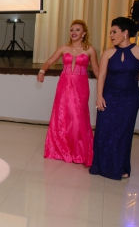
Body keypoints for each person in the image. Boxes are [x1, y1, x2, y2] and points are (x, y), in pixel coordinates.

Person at [90, 17, 139, 180]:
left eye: (114, 32)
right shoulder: (108, 53)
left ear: (125, 33)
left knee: (123, 133)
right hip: (108, 97)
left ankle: (120, 167)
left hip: (129, 99)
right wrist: (99, 96)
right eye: (110, 33)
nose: (111, 35)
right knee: (104, 131)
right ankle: (100, 166)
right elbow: (102, 75)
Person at [37, 20, 100, 166]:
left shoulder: (90, 50)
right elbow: (50, 61)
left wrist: (105, 84)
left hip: (80, 87)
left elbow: (96, 70)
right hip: (64, 85)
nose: (73, 32)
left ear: (83, 33)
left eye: (77, 30)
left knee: (78, 118)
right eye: (72, 30)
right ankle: (61, 150)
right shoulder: (64, 48)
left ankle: (79, 151)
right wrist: (42, 71)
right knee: (62, 115)